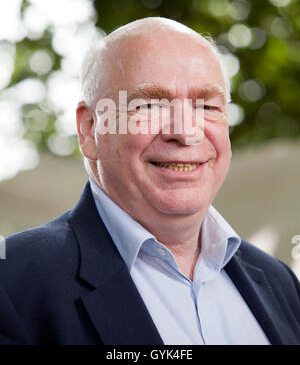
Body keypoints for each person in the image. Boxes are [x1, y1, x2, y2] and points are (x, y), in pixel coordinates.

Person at [0, 17, 299, 345]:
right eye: (150, 104)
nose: (186, 132)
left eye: (206, 106)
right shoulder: (12, 282)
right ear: (89, 129)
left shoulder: (281, 284)